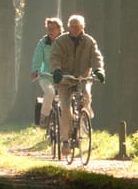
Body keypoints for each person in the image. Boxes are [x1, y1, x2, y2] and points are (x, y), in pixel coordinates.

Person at [49, 14, 105, 155]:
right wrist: (57, 70)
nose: (74, 28)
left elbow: (96, 56)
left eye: (77, 26)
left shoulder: (89, 41)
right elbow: (54, 56)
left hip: (82, 77)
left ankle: (83, 119)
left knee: (86, 96)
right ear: (68, 27)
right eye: (71, 26)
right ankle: (65, 141)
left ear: (82, 27)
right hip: (65, 80)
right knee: (66, 107)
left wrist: (99, 70)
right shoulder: (61, 41)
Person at [30, 17, 64, 128]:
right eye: (48, 29)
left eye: (53, 29)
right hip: (46, 76)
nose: (50, 31)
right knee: (49, 92)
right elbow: (37, 57)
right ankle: (44, 117)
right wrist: (35, 70)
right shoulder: (43, 43)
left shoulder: (65, 41)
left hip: (63, 76)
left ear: (60, 29)